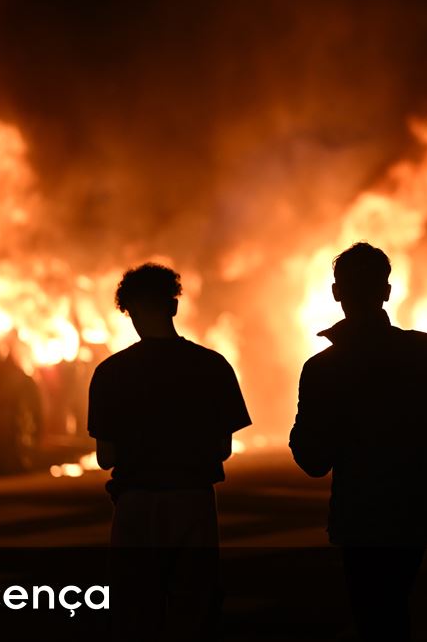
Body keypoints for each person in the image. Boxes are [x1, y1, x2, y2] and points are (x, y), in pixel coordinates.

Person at [289, 242, 427, 642]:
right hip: (417, 508)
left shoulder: (323, 370)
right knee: (393, 605)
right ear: (386, 291)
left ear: (336, 293)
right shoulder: (422, 350)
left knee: (375, 614)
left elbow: (312, 458)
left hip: (361, 514)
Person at [88, 263, 251, 641]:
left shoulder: (111, 373)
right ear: (173, 306)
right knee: (194, 611)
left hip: (136, 506)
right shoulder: (212, 365)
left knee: (136, 612)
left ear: (128, 312)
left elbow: (106, 457)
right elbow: (222, 448)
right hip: (193, 501)